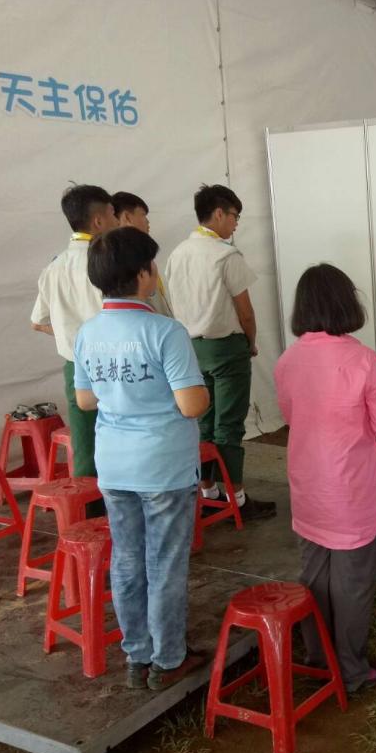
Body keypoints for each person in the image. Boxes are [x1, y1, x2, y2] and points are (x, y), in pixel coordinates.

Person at [73, 227, 209, 691]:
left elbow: (86, 401)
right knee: (165, 562)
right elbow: (192, 405)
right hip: (163, 466)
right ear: (141, 274)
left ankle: (138, 655)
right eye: (152, 265)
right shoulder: (165, 331)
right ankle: (169, 658)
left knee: (128, 560)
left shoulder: (89, 332)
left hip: (114, 464)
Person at [273, 264, 376, 694]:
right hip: (351, 490)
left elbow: (292, 417)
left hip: (308, 485)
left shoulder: (288, 360)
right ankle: (350, 669)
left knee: (314, 574)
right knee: (353, 582)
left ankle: (316, 655)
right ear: (347, 302)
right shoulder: (363, 360)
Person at [164, 184, 274, 520]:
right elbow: (246, 311)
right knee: (229, 426)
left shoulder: (177, 254)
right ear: (218, 214)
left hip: (190, 351)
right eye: (234, 217)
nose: (236, 224)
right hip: (226, 349)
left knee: (203, 424)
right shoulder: (226, 255)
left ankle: (208, 491)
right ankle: (237, 499)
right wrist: (251, 342)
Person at [31, 184, 118, 481]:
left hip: (75, 367)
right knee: (125, 437)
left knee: (85, 445)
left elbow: (38, 321)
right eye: (113, 214)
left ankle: (90, 514)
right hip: (117, 363)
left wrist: (73, 339)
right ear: (98, 221)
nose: (116, 221)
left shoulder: (53, 267)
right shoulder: (107, 263)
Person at [112, 191, 174, 318]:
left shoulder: (138, 252)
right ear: (127, 217)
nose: (147, 222)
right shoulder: (119, 260)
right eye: (143, 215)